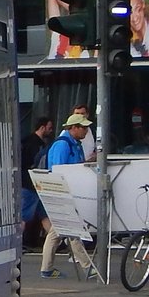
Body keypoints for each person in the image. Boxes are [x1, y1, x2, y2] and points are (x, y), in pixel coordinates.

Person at [39, 114, 97, 280]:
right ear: (73, 128)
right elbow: (58, 170)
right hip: (62, 193)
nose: (86, 131)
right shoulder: (63, 145)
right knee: (71, 229)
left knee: (57, 232)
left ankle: (47, 269)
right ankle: (87, 267)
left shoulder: (72, 144)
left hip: (67, 193)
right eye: (83, 127)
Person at [20, 115, 53, 247]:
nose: (51, 131)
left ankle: (55, 240)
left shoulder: (26, 141)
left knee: (43, 215)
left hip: (32, 185)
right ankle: (17, 242)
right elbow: (34, 164)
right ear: (42, 127)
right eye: (49, 128)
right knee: (23, 217)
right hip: (31, 185)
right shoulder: (36, 145)